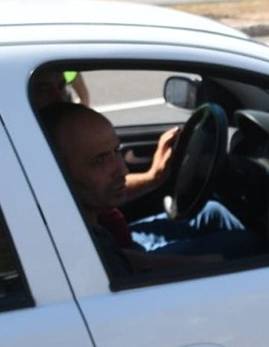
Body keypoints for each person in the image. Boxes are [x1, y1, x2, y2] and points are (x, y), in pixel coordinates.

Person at [38, 101, 256, 277]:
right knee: (248, 245)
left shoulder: (83, 221)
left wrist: (154, 178)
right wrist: (204, 264)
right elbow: (125, 265)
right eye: (99, 161)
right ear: (56, 173)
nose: (122, 170)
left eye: (116, 150)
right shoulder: (77, 249)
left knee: (213, 211)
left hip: (126, 244)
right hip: (132, 256)